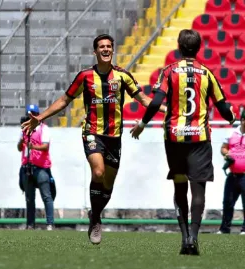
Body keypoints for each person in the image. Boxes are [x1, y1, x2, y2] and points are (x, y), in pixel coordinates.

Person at [22, 34, 166, 245]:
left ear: (113, 50)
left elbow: (144, 100)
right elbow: (64, 100)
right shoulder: (85, 77)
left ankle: (94, 214)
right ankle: (97, 221)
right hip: (92, 133)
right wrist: (40, 118)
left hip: (114, 138)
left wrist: (169, 110)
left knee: (107, 185)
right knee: (98, 171)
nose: (106, 49)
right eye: (101, 47)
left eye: (109, 46)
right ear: (95, 52)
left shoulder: (123, 76)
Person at [130, 29, 236, 255]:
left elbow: (156, 100)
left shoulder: (169, 72)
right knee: (198, 190)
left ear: (179, 46)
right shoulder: (207, 73)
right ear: (198, 48)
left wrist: (142, 123)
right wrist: (232, 117)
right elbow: (223, 107)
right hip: (199, 140)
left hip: (174, 140)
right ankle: (194, 238)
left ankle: (184, 236)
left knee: (179, 186)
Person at [18, 104, 55, 230]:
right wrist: (21, 140)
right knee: (29, 198)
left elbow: (45, 146)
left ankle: (50, 223)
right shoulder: (25, 129)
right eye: (29, 114)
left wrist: (32, 146)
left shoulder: (44, 129)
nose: (31, 116)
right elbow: (19, 148)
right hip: (27, 167)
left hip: (41, 167)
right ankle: (30, 224)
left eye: (33, 113)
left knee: (46, 196)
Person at [217, 110, 245, 235]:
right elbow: (223, 147)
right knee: (227, 203)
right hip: (233, 175)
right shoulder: (231, 133)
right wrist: (226, 153)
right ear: (242, 120)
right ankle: (224, 229)